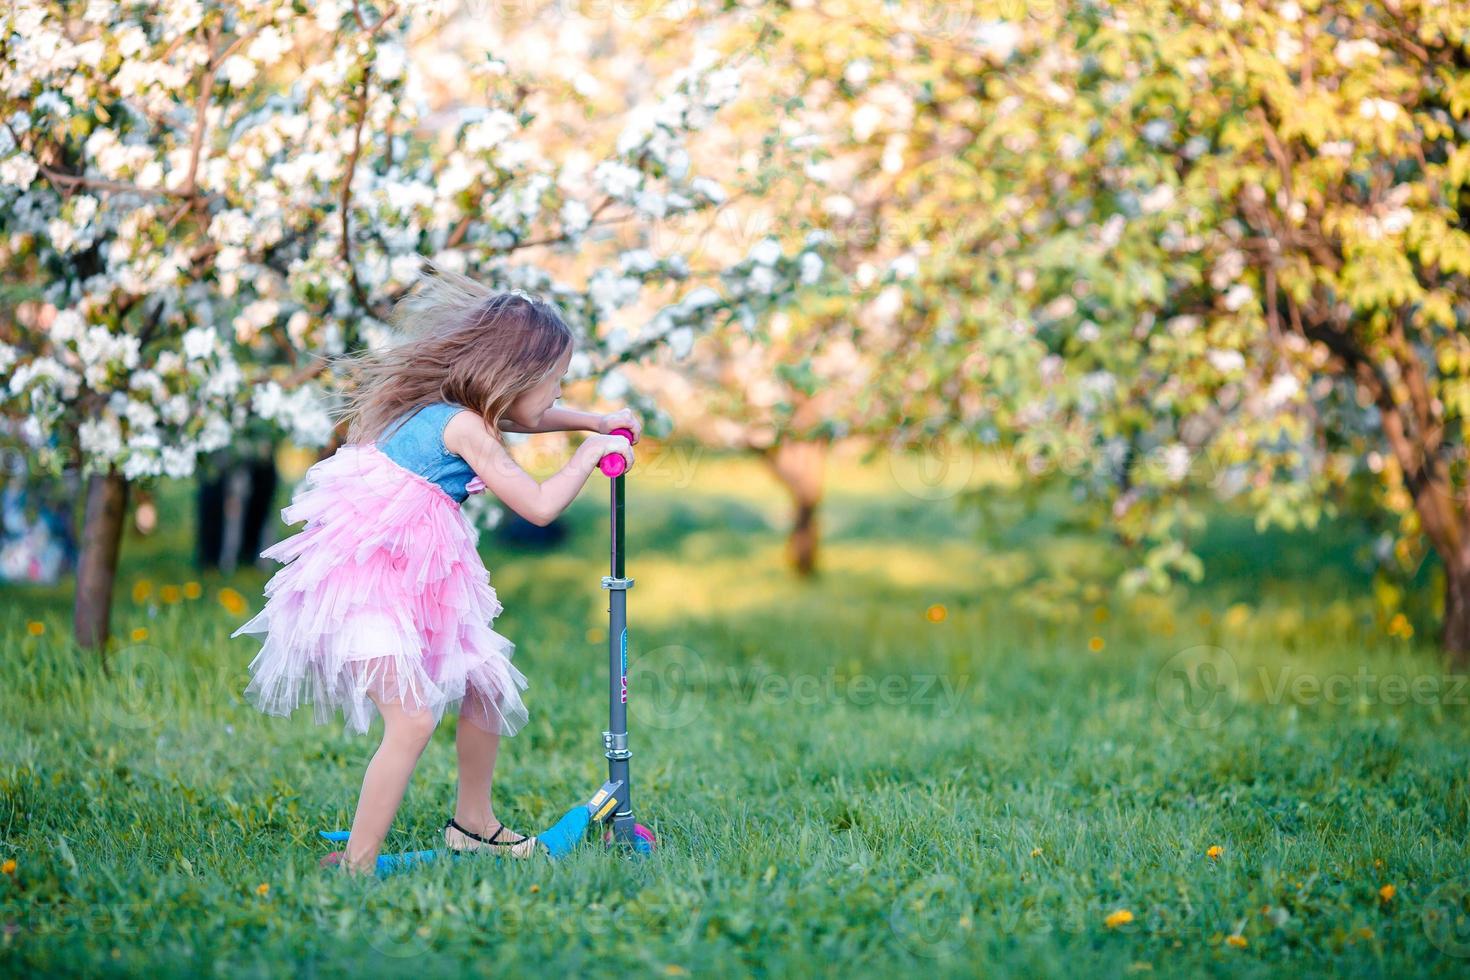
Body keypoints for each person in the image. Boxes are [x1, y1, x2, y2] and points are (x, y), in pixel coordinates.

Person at [229, 263, 640, 874]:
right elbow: (539, 503)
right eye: (555, 381)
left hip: (415, 575)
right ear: (512, 376)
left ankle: (473, 825)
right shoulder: (463, 426)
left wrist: (592, 420)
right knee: (413, 720)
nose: (559, 393)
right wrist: (588, 454)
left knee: (485, 684)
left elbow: (528, 415)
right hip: (368, 584)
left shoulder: (456, 407)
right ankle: (357, 865)